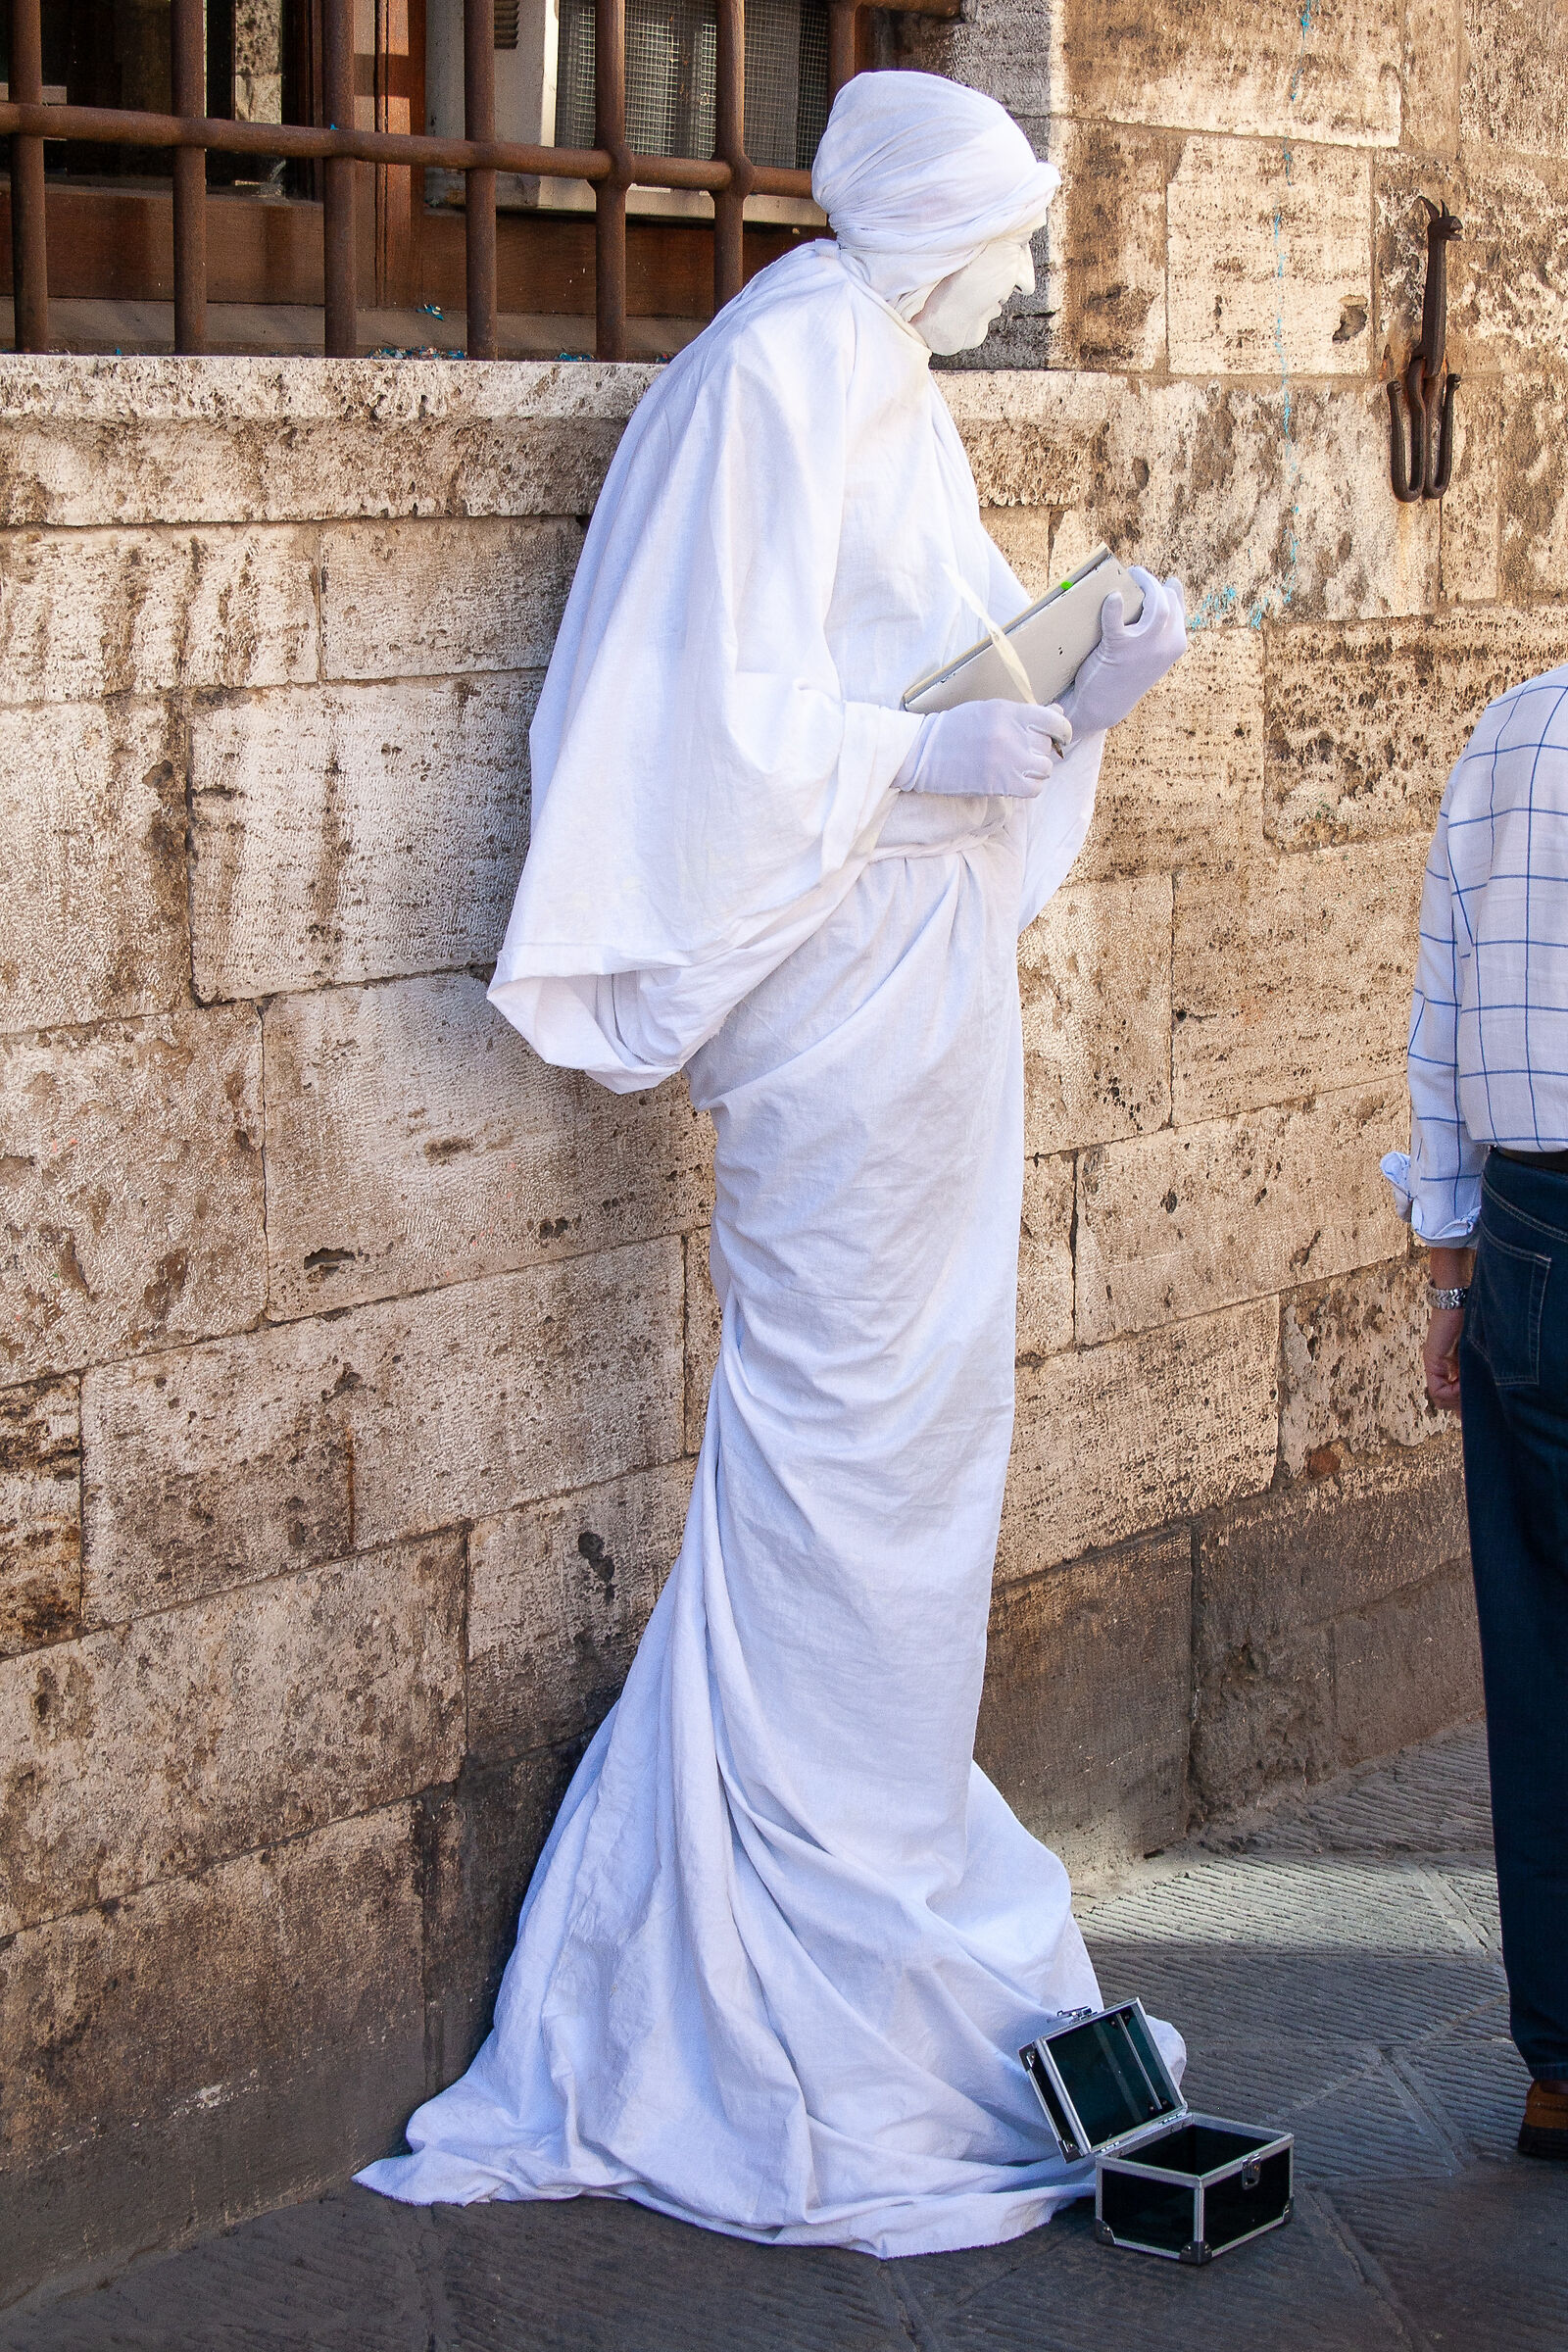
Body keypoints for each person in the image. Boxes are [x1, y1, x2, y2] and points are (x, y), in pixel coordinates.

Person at [359, 70, 1188, 2254]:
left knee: (925, 1425)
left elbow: (945, 672)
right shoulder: (777, 372)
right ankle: (799, 1903)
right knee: (841, 1427)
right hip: (835, 998)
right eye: (1010, 231)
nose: (1024, 270)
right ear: (933, 228)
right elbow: (706, 722)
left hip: (918, 976)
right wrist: (923, 751)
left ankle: (874, 1849)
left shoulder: (883, 375)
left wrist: (1085, 681)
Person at [1383, 662, 1568, 2163]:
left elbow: (1441, 1015)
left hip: (1527, 1234)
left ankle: (1562, 2068)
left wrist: (1448, 1272)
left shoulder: (1514, 726)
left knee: (1542, 1652)